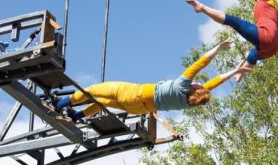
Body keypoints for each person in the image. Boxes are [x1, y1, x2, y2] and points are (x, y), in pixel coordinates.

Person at [53, 39, 251, 120]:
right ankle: (76, 117)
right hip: (138, 109)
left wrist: (218, 47)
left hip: (133, 94)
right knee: (102, 103)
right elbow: (213, 83)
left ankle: (60, 104)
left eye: (200, 84)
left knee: (93, 91)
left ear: (195, 88)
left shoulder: (183, 86)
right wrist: (234, 71)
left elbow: (200, 63)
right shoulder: (189, 103)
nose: (201, 82)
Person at [185, 0, 278, 82]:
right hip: (273, 46)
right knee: (252, 56)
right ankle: (239, 74)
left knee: (232, 21)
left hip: (267, 38)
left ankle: (202, 8)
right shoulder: (271, 1)